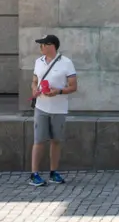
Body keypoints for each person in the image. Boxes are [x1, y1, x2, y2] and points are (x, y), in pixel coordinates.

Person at [29, 34, 78, 186]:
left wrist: (58, 91)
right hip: (41, 107)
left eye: (43, 44)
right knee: (39, 141)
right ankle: (34, 174)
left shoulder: (66, 63)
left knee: (56, 141)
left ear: (51, 46)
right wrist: (34, 91)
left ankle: (53, 172)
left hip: (59, 108)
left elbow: (73, 86)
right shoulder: (38, 62)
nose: (41, 47)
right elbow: (34, 81)